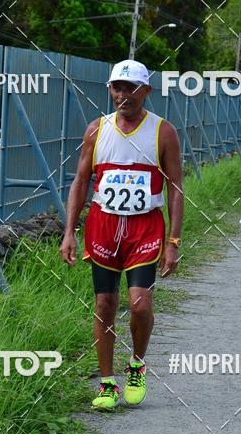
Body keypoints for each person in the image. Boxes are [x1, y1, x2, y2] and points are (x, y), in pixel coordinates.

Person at [60, 59, 183, 410]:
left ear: (146, 91)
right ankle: (107, 383)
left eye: (131, 88)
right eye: (117, 87)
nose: (123, 95)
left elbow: (175, 188)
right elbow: (81, 181)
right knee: (104, 304)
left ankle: (137, 364)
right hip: (104, 225)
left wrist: (173, 242)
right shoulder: (97, 130)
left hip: (145, 226)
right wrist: (69, 231)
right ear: (110, 90)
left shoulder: (163, 132)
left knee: (139, 304)